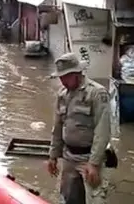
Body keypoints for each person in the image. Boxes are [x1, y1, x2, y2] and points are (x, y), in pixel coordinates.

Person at [47, 53, 111, 204]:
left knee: (95, 199)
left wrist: (94, 164)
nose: (62, 81)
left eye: (65, 77)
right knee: (68, 198)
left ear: (77, 74)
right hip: (69, 157)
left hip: (89, 157)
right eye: (60, 77)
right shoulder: (62, 95)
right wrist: (53, 156)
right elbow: (57, 127)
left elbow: (102, 131)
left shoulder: (96, 93)